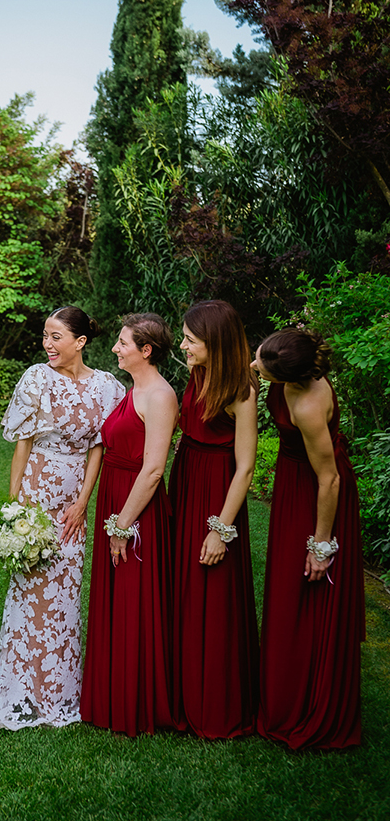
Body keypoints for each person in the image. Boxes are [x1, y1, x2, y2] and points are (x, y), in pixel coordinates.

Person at [0, 306, 125, 730]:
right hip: (36, 492)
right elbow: (23, 444)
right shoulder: (36, 378)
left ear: (80, 342)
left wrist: (84, 500)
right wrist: (15, 503)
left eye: (56, 336)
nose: (47, 344)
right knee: (29, 590)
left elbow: (99, 446)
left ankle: (59, 693)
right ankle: (21, 688)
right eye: (45, 336)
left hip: (73, 499)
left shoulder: (106, 386)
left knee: (65, 595)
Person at [252, 328, 365, 750]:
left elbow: (330, 478)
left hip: (318, 495)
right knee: (284, 591)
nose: (253, 365)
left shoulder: (308, 404)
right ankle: (281, 695)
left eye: (260, 363)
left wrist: (321, 545)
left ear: (289, 378)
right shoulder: (289, 375)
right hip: (292, 483)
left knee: (308, 591)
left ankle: (311, 705)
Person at [81, 313, 179, 736]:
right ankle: (110, 694)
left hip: (138, 510)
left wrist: (123, 526)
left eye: (123, 343)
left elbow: (154, 468)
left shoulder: (159, 395)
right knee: (116, 599)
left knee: (135, 600)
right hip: (117, 498)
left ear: (146, 350)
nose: (116, 348)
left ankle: (137, 701)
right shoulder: (132, 388)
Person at [169, 300, 259, 739]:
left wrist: (220, 529)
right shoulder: (196, 373)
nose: (183, 345)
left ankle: (216, 702)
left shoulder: (242, 389)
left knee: (215, 594)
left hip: (218, 489)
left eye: (190, 340)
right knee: (184, 587)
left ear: (216, 344)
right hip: (187, 479)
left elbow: (245, 466)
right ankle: (182, 691)